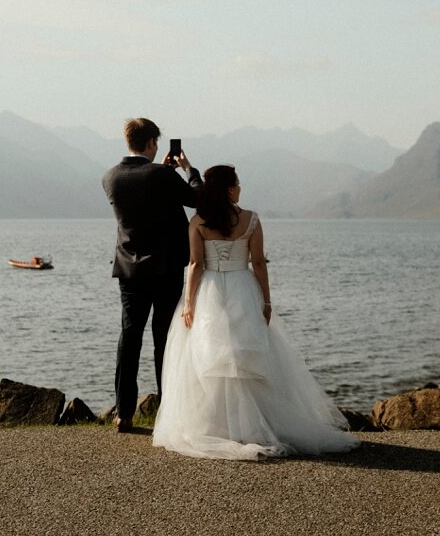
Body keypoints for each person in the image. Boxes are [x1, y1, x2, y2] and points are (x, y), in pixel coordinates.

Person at [153, 165, 359, 460]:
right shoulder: (251, 219)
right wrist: (266, 301)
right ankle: (255, 425)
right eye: (237, 184)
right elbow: (259, 263)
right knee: (246, 353)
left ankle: (217, 426)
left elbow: (196, 265)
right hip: (243, 288)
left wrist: (188, 303)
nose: (240, 188)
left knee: (211, 356)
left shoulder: (198, 221)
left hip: (210, 291)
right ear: (229, 188)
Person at [102, 118, 202, 433]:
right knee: (164, 339)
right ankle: (167, 411)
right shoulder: (161, 176)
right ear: (151, 143)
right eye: (156, 143)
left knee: (129, 337)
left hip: (129, 270)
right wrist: (189, 169)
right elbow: (197, 200)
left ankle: (124, 413)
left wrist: (163, 170)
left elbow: (145, 193)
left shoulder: (110, 177)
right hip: (165, 269)